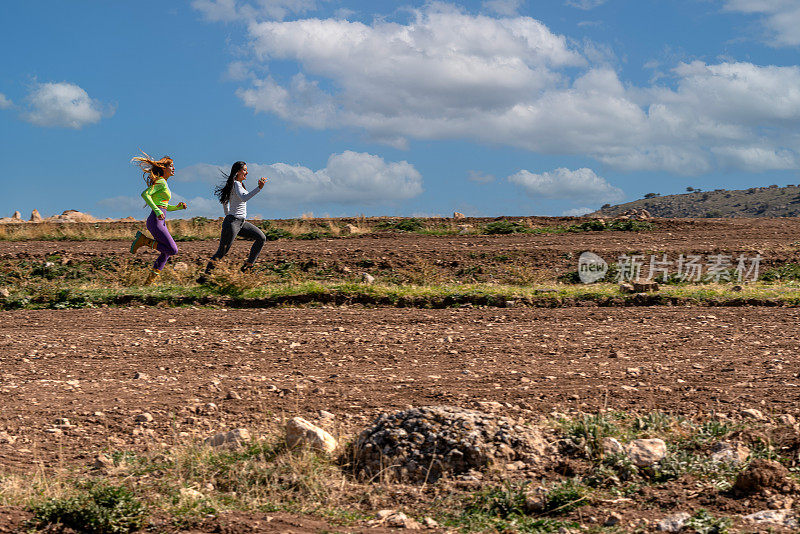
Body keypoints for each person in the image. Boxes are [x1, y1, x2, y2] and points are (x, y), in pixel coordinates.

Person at [129, 151, 187, 285]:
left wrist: (177, 207)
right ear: (164, 168)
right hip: (156, 221)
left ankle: (148, 283)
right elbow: (145, 194)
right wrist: (156, 210)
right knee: (173, 250)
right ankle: (144, 241)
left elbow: (164, 207)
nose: (173, 168)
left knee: (165, 253)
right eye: (171, 166)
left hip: (159, 220)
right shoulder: (161, 182)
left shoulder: (164, 183)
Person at [201, 161, 267, 278]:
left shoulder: (238, 185)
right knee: (222, 251)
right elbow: (243, 198)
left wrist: (228, 215)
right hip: (233, 222)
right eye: (245, 170)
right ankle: (204, 277)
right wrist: (259, 188)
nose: (247, 172)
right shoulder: (236, 184)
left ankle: (247, 267)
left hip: (240, 222)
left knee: (261, 237)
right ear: (238, 172)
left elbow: (225, 202)